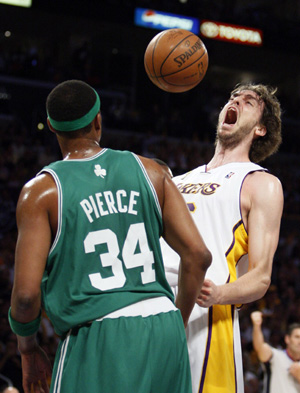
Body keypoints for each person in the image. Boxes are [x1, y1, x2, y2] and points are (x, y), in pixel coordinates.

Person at [8, 80, 212, 393]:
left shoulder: (41, 192)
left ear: (51, 126)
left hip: (98, 333)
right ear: (98, 120)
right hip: (163, 325)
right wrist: (176, 320)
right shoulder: (152, 171)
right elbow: (198, 255)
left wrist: (27, 349)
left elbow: (25, 297)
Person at [160, 83, 284, 393]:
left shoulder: (261, 183)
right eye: (233, 98)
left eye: (249, 102)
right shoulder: (177, 180)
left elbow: (260, 277)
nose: (236, 102)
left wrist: (219, 294)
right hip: (153, 305)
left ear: (260, 129)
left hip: (206, 311)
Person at [251, 311, 300, 392]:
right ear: (287, 339)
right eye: (297, 337)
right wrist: (256, 326)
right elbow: (260, 347)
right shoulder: (276, 356)